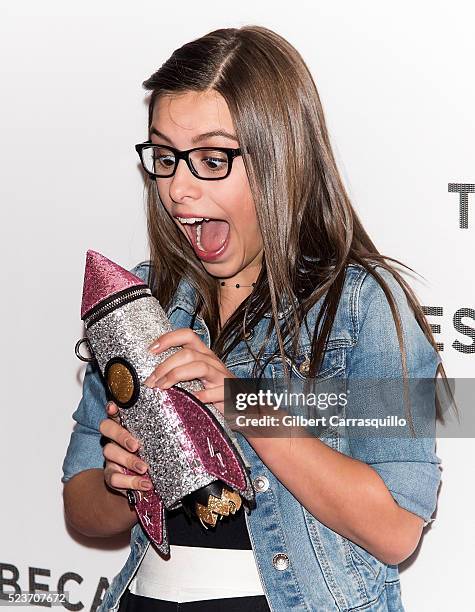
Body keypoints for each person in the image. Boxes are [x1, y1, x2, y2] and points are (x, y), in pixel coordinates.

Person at [62, 25, 445, 612]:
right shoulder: (140, 299)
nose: (179, 189)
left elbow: (396, 529)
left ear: (280, 158)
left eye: (212, 159)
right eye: (165, 157)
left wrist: (242, 404)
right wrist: (130, 484)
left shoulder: (365, 304)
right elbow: (82, 506)